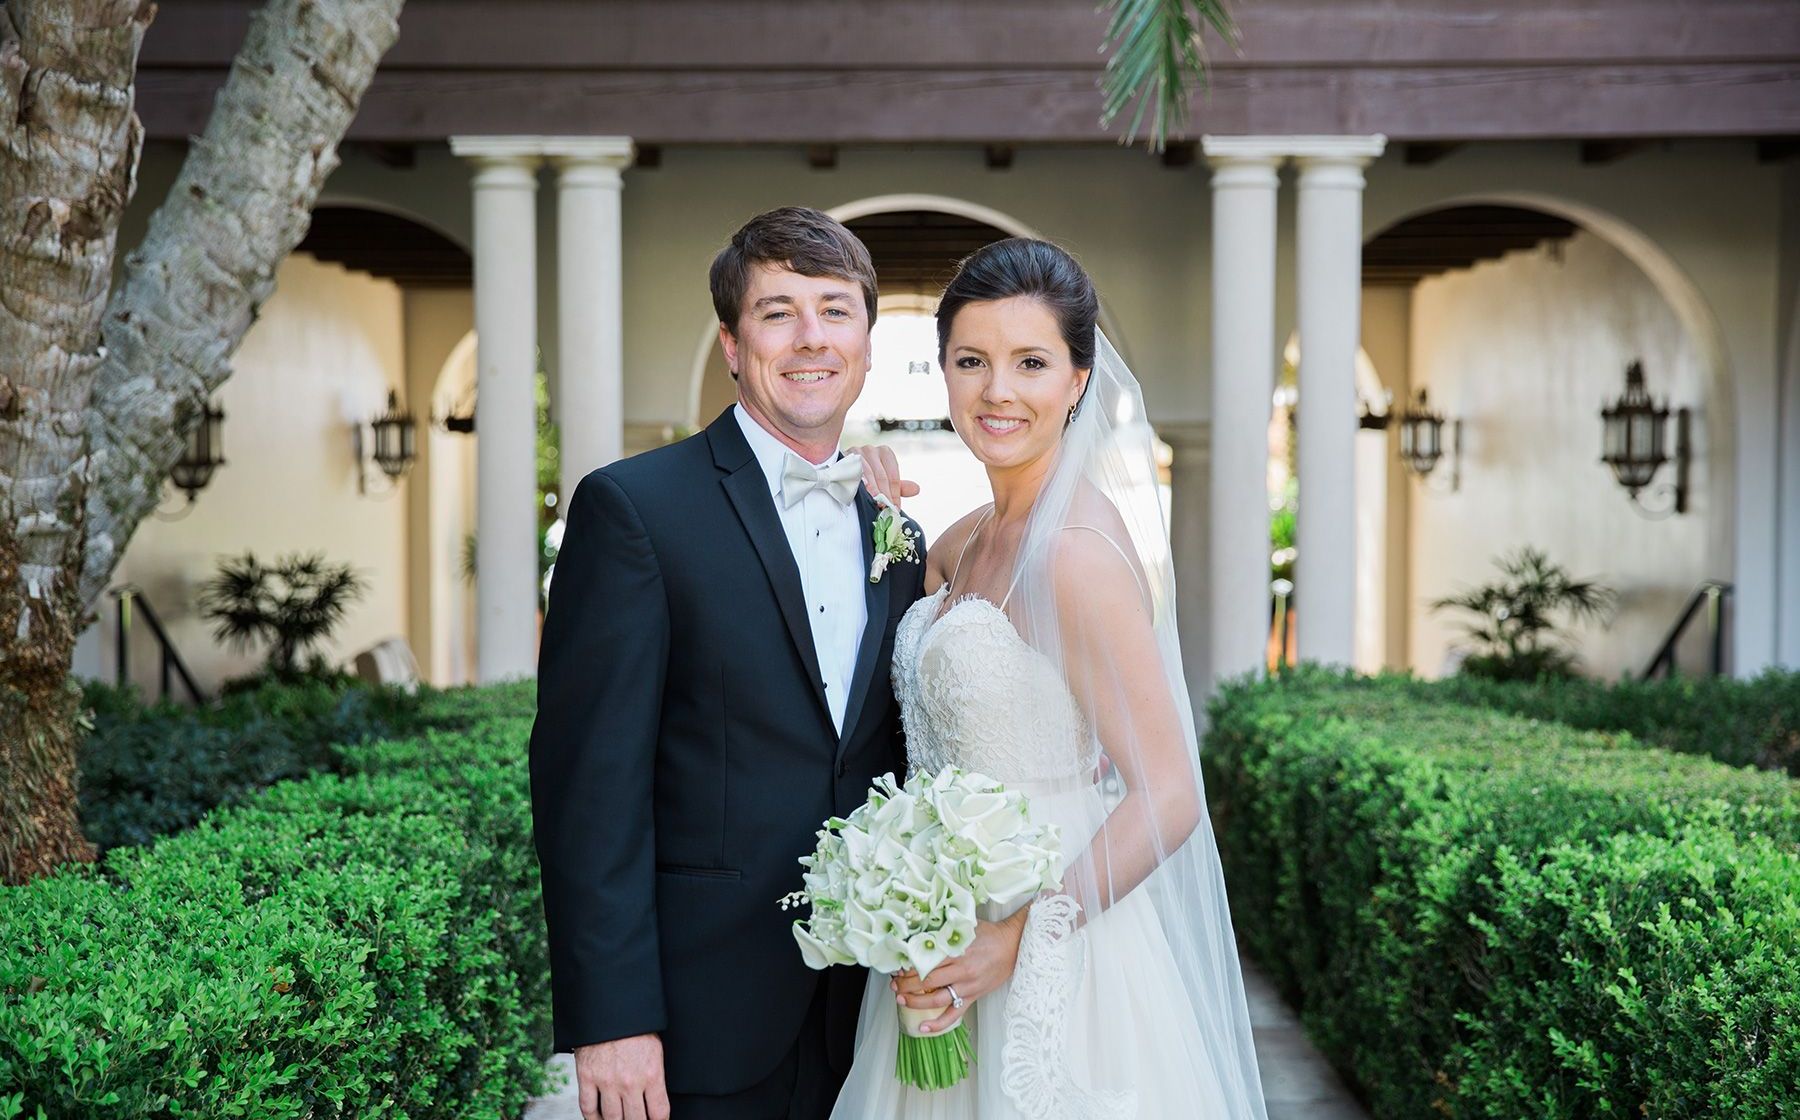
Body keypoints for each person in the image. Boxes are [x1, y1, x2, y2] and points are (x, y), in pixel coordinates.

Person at [829, 238, 1270, 1118]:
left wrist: (1023, 936)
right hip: (940, 919)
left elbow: (1170, 792)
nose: (998, 390)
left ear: (1077, 380)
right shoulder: (965, 540)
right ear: (943, 371)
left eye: (1031, 362)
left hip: (1059, 932)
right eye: (972, 362)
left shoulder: (1075, 553)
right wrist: (865, 489)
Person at [529, 206, 927, 1120]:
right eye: (777, 311)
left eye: (835, 309)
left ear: (867, 342)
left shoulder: (897, 532)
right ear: (732, 344)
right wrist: (612, 1019)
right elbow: (588, 785)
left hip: (871, 1009)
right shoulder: (633, 509)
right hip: (696, 1017)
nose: (810, 337)